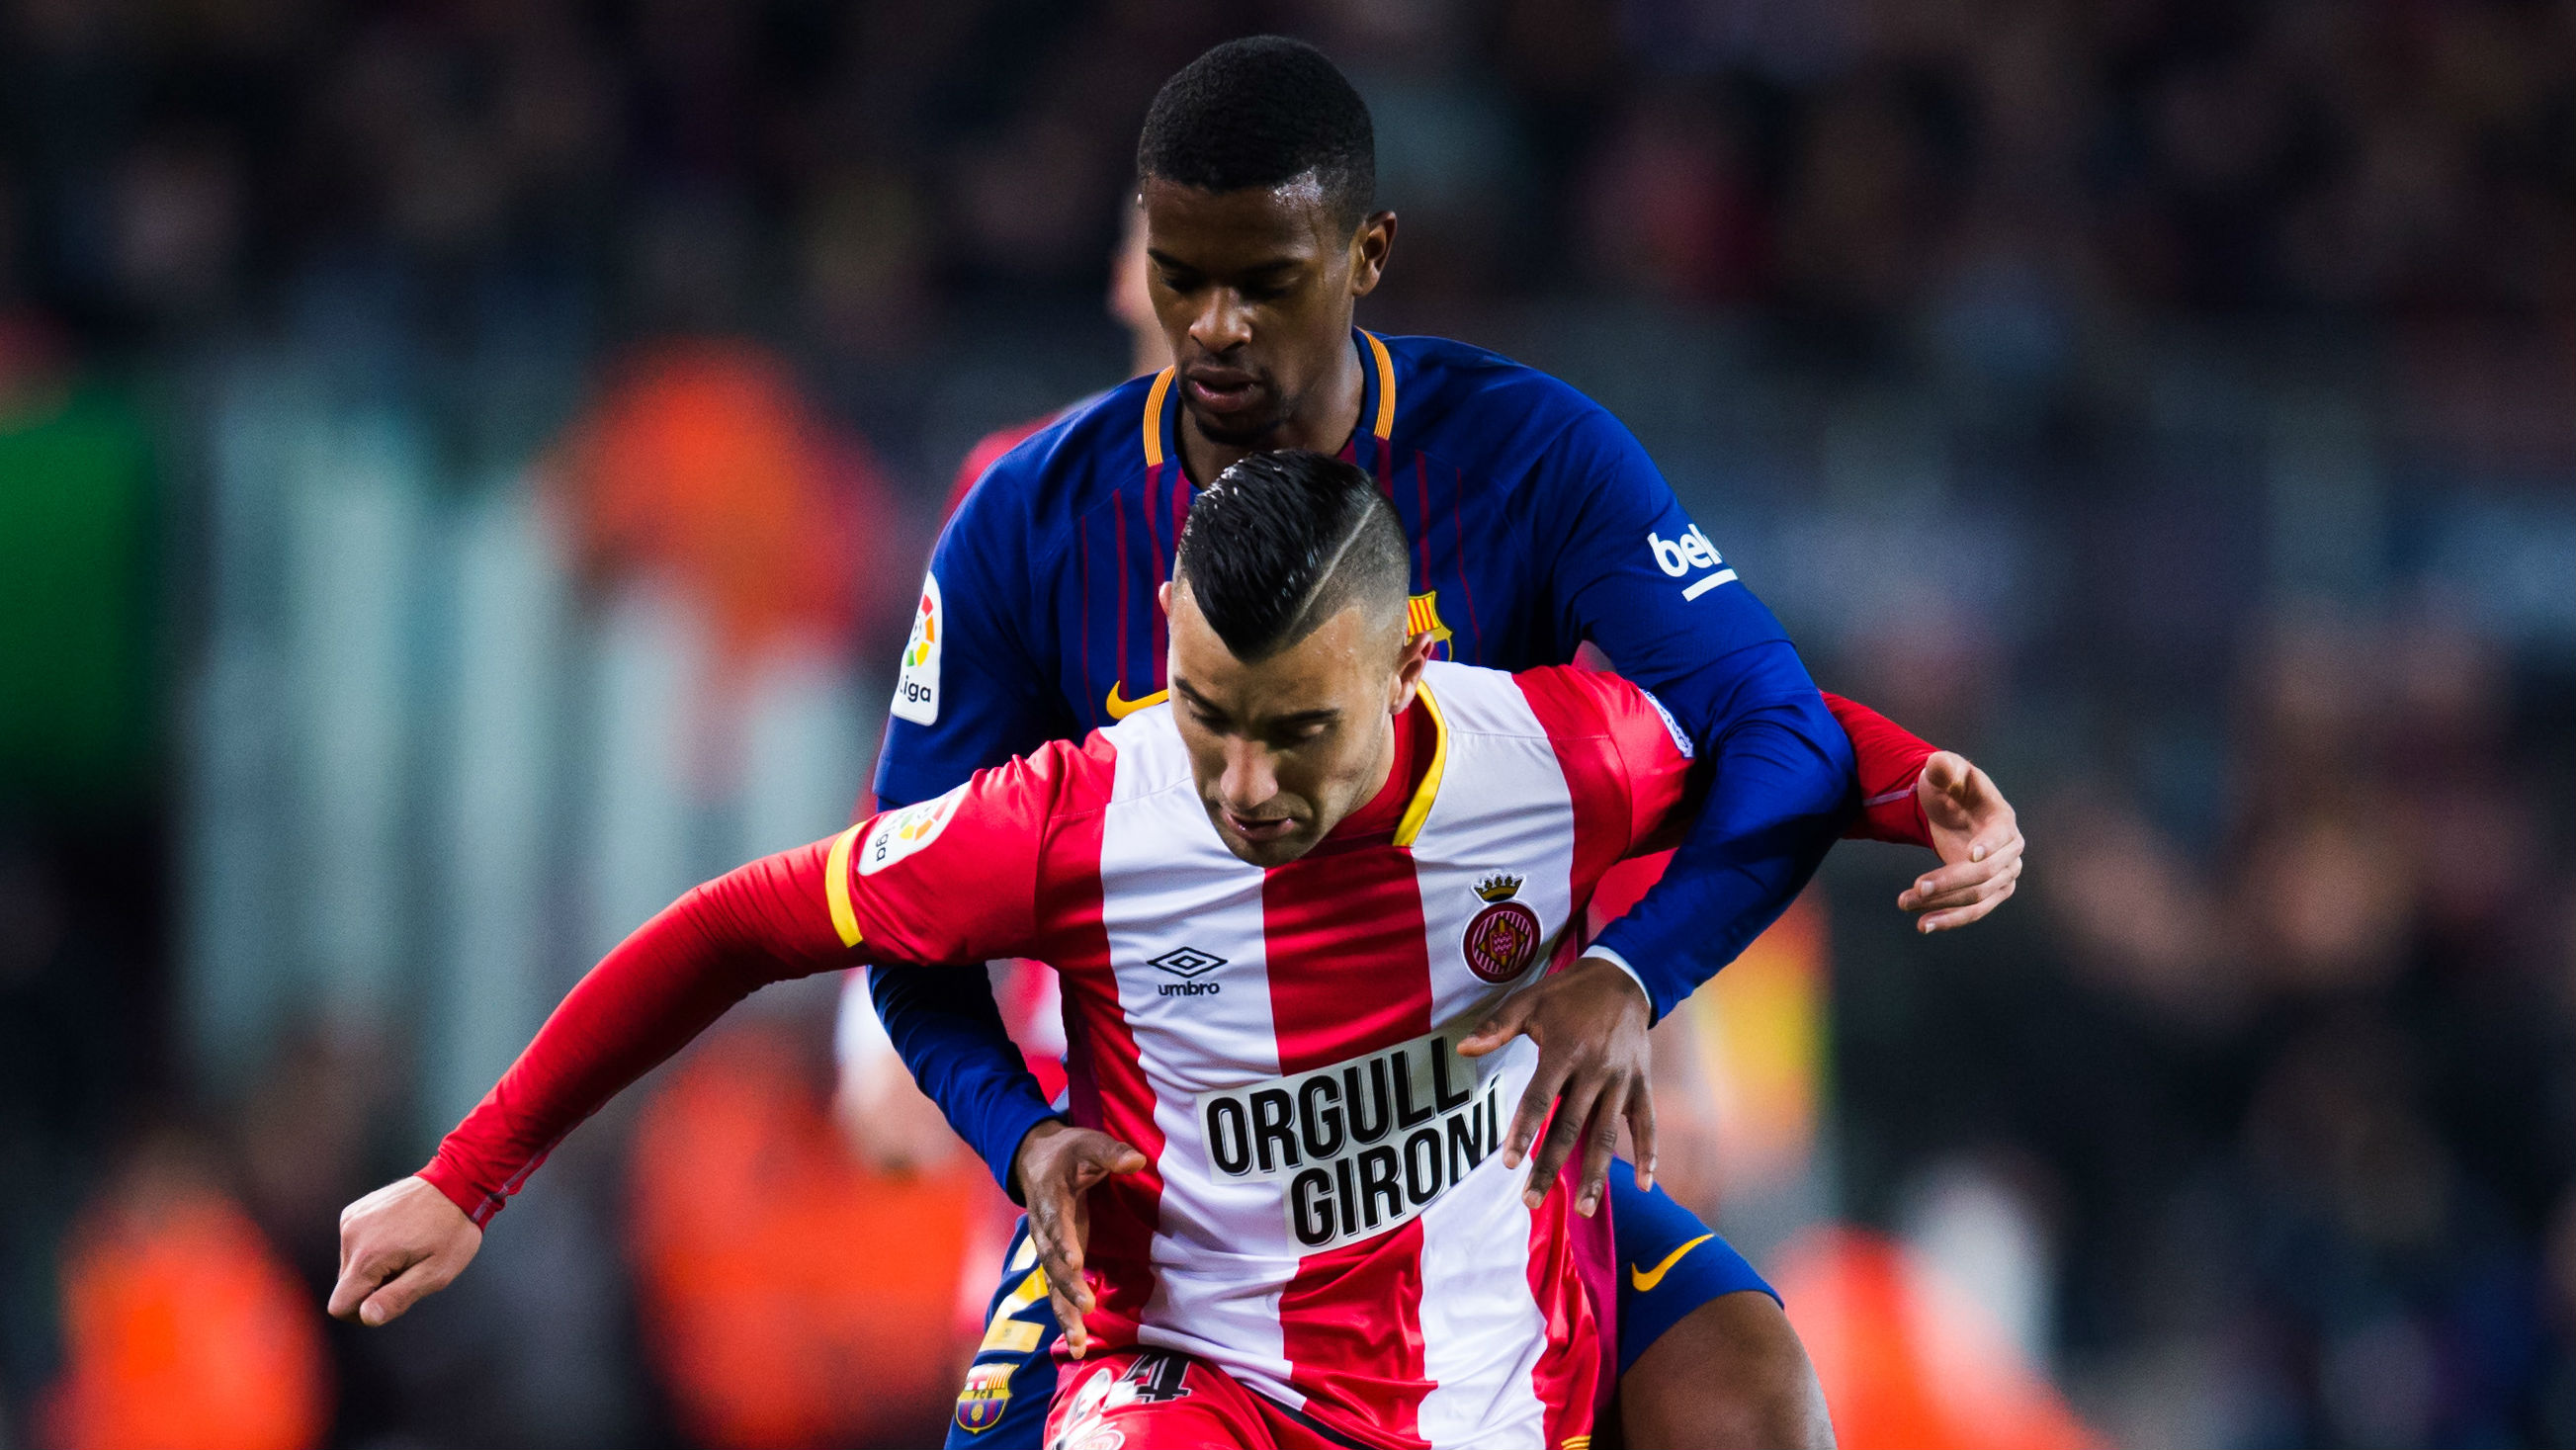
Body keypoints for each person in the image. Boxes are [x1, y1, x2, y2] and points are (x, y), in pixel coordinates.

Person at [865, 36, 2022, 1448]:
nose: (1214, 326)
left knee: (1751, 1398)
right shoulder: (1025, 518)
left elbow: (1749, 723)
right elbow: (893, 918)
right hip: (1190, 1207)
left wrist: (1632, 971)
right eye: (1181, 275)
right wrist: (1021, 1135)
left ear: (1366, 255)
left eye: (1264, 281)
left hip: (1467, 1153)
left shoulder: (1526, 457)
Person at [333, 451, 1858, 1448]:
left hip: (1509, 1328)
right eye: (1208, 716)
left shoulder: (1553, 756)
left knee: (1757, 1396)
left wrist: (1930, 802)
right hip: (1201, 1369)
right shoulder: (1072, 813)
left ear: (1409, 664)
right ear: (1163, 628)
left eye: (1297, 730)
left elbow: (1794, 743)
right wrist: (467, 1176)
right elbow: (738, 923)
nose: (1246, 785)